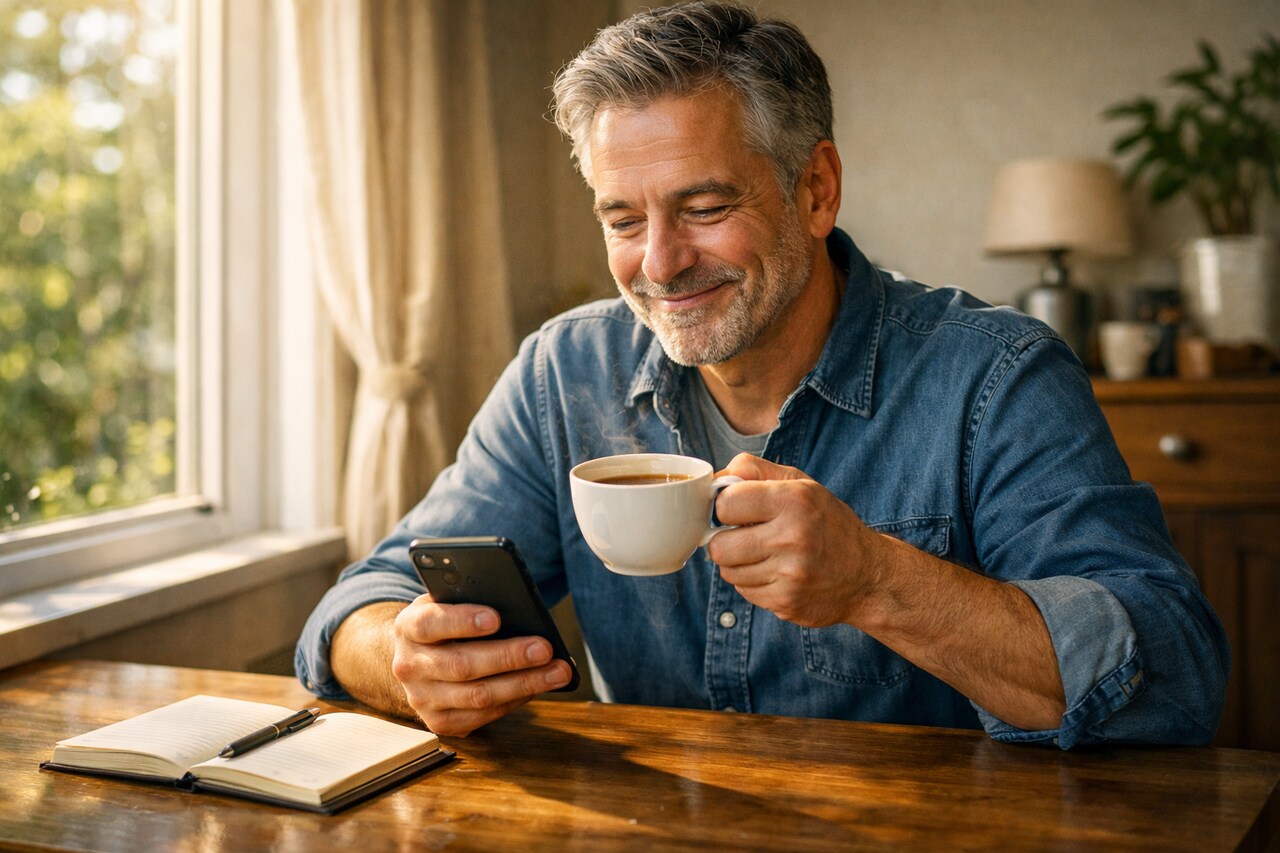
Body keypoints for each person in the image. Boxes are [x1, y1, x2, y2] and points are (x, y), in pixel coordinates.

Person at [296, 1, 1228, 748]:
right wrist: (406, 659)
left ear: (816, 190)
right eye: (623, 220)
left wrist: (876, 580)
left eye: (704, 207)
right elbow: (353, 608)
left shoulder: (996, 377)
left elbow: (1176, 677)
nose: (660, 263)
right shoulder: (563, 373)